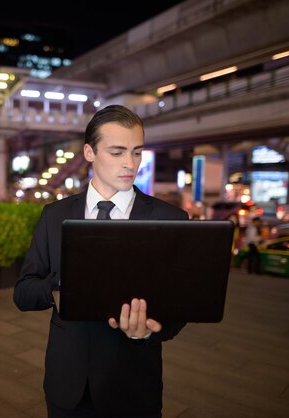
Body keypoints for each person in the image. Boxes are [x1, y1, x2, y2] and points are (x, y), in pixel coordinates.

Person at [13, 104, 189, 418]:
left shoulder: (169, 218)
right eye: (118, 152)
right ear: (89, 152)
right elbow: (23, 292)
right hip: (67, 385)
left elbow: (179, 311)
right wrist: (59, 290)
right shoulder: (55, 215)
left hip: (133, 389)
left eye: (136, 152)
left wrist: (148, 330)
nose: (130, 164)